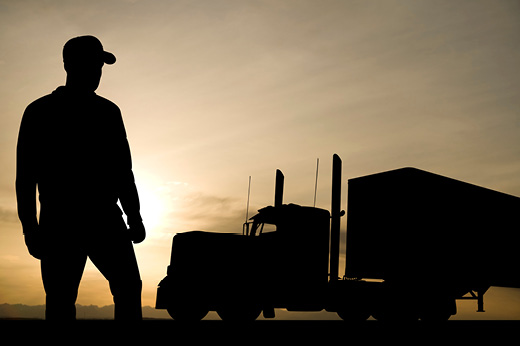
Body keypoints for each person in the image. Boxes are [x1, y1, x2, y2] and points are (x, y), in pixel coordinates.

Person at [16, 35, 146, 320]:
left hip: (98, 218)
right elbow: (25, 176)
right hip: (64, 220)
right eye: (92, 64)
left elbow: (122, 170)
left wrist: (134, 216)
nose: (97, 72)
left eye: (99, 66)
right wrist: (30, 227)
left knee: (126, 287)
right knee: (62, 298)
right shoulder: (40, 111)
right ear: (69, 65)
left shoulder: (108, 112)